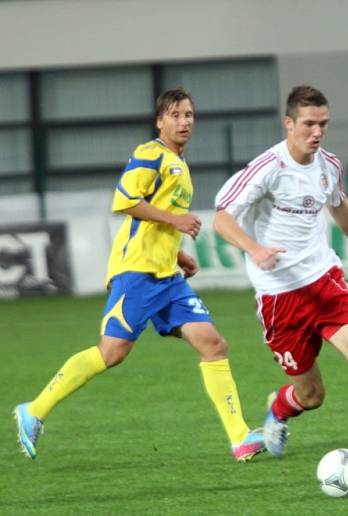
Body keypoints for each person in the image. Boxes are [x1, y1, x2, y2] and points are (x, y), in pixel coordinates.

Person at [13, 88, 266, 462]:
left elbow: (152, 218)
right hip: (137, 274)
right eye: (176, 115)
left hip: (167, 277)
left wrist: (177, 253)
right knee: (112, 352)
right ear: (160, 121)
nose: (184, 122)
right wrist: (177, 220)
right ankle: (33, 410)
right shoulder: (149, 154)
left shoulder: (179, 161)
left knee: (213, 345)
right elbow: (125, 201)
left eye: (189, 115)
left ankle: (239, 438)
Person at [213, 85, 348, 485]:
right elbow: (222, 219)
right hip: (280, 299)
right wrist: (254, 248)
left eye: (324, 124)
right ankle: (280, 409)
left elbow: (338, 203)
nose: (317, 132)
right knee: (312, 396)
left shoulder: (328, 165)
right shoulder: (268, 167)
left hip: (325, 281)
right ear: (289, 124)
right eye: (309, 124)